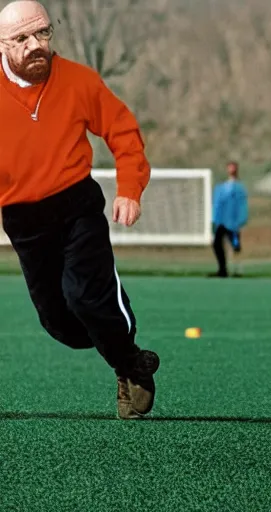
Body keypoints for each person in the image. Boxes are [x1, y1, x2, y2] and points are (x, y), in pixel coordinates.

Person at [0, 0, 159, 420]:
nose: (36, 45)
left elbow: (123, 133)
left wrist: (130, 188)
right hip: (24, 221)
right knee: (61, 325)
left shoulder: (79, 81)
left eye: (43, 33)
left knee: (86, 296)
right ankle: (113, 319)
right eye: (22, 38)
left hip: (77, 207)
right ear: (2, 46)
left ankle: (131, 368)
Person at [210, 161, 248, 277]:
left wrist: (240, 220)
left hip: (233, 222)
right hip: (221, 221)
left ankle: (237, 270)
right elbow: (217, 204)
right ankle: (222, 269)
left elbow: (242, 206)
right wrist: (214, 220)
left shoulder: (240, 188)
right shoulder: (222, 187)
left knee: (235, 245)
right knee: (217, 244)